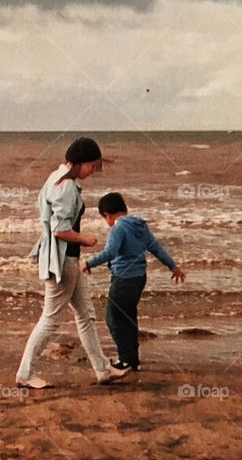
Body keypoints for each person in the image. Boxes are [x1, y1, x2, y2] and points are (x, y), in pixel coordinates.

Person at [15, 137, 126, 389]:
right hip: (62, 259)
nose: (93, 172)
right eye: (92, 166)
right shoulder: (66, 187)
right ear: (80, 162)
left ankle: (103, 370)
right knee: (50, 319)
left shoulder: (57, 176)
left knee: (86, 315)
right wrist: (85, 239)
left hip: (66, 259)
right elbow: (60, 229)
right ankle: (24, 373)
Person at [81, 192, 185, 372]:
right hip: (139, 278)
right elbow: (156, 248)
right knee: (128, 317)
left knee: (113, 319)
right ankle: (133, 359)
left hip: (123, 279)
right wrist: (173, 267)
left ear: (107, 215)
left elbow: (110, 252)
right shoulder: (140, 226)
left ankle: (125, 359)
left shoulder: (117, 229)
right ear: (125, 209)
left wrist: (88, 263)